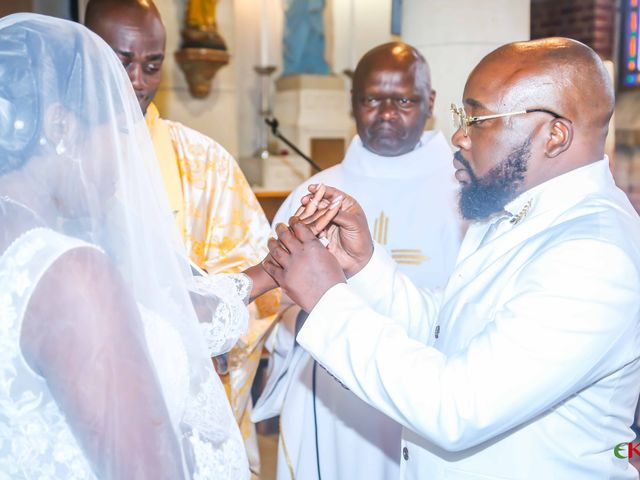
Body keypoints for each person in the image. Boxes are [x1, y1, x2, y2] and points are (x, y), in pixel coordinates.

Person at [264, 38, 640, 478]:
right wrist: (364, 266)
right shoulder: (510, 214)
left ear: (554, 135)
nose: (459, 136)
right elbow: (442, 328)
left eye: (477, 118)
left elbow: (457, 408)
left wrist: (326, 299)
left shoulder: (593, 257)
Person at [0, 13, 280, 479]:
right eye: (124, 129)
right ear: (62, 128)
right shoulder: (71, 273)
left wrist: (270, 270)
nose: (130, 155)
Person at [84, 1, 280, 473]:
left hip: (184, 397)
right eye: (120, 61)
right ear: (86, 54)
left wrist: (211, 333)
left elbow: (251, 274)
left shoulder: (203, 162)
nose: (136, 79)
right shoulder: (54, 153)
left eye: (151, 65)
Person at [253, 42, 462, 480]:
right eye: (371, 99)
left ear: (431, 103)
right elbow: (276, 301)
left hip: (430, 389)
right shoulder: (315, 194)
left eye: (403, 100)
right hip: (331, 397)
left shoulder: (464, 193)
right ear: (353, 104)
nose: (386, 113)